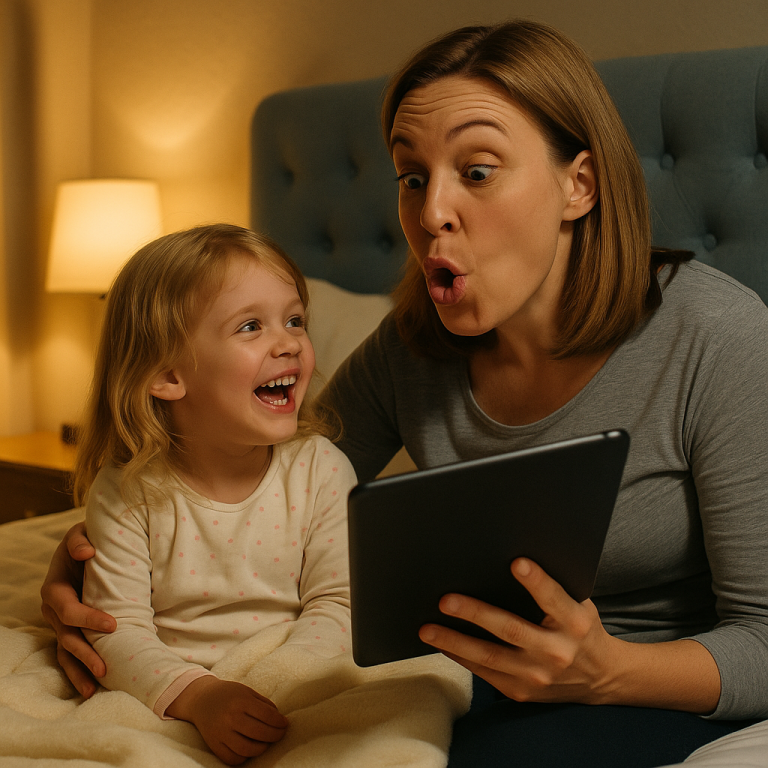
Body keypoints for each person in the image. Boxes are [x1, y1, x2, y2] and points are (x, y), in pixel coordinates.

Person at [41, 20, 768, 767]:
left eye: (477, 171)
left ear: (577, 185)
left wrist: (610, 671)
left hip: (648, 681)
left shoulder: (715, 337)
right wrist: (83, 572)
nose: (430, 215)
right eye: (412, 177)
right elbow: (268, 488)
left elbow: (766, 639)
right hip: (458, 666)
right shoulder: (412, 348)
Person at [65, 224, 357, 766]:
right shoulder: (129, 492)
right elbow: (119, 630)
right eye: (251, 326)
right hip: (182, 691)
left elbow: (339, 603)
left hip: (298, 678)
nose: (289, 342)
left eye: (295, 320)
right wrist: (200, 696)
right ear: (167, 376)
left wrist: (281, 684)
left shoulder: (322, 472)